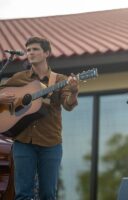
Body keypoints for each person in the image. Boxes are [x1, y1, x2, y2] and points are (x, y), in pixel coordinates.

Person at [0, 36, 79, 200]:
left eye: (35, 49)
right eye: (28, 50)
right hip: (23, 141)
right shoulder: (19, 78)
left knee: (48, 194)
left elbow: (68, 105)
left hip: (50, 143)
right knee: (22, 194)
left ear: (46, 53)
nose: (30, 53)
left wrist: (74, 91)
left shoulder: (59, 80)